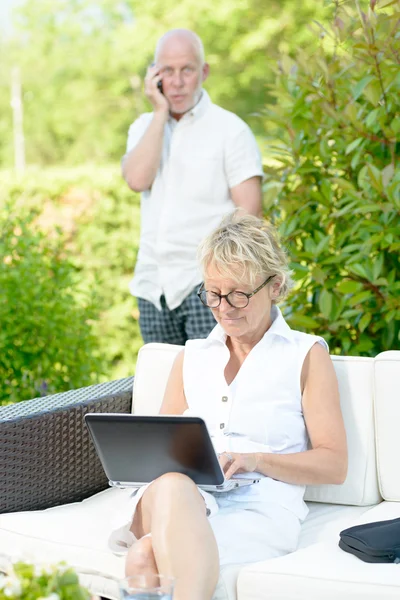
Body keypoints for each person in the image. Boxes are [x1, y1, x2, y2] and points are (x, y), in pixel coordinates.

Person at [109, 211, 348, 600]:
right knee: (171, 484)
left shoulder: (305, 356)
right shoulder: (191, 357)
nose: (224, 308)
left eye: (239, 294)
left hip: (258, 509)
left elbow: (334, 465)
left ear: (276, 286)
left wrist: (255, 459)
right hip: (179, 499)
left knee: (143, 558)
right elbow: (160, 450)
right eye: (214, 294)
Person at [122, 29, 263, 345]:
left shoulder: (231, 130)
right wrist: (160, 112)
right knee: (165, 387)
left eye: (186, 69)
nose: (177, 81)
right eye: (167, 71)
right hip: (152, 287)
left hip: (208, 287)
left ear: (204, 71)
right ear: (154, 74)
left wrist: (220, 278)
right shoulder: (143, 127)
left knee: (214, 387)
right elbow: (136, 179)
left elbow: (250, 211)